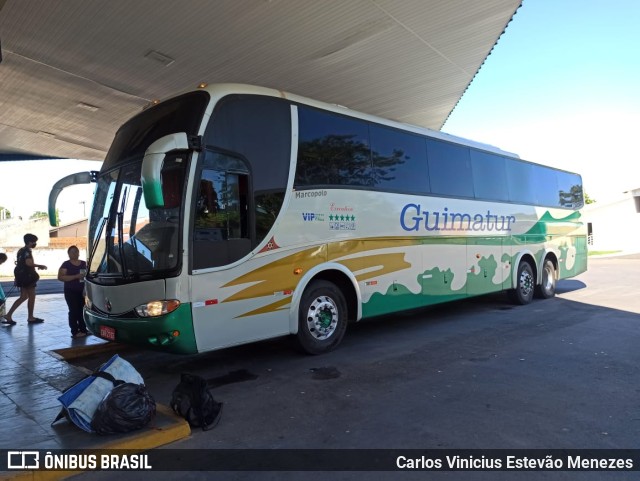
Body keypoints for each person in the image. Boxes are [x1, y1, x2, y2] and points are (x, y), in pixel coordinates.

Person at [2, 233, 47, 325]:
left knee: (23, 296)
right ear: (29, 242)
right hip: (28, 277)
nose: (35, 243)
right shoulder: (27, 251)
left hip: (22, 276)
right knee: (31, 296)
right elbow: (28, 263)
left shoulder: (20, 250)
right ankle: (30, 317)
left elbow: (21, 264)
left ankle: (9, 315)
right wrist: (40, 266)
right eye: (34, 241)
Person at [57, 245, 89, 338]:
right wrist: (75, 276)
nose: (75, 253)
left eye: (76, 251)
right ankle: (75, 331)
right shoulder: (66, 264)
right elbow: (60, 277)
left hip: (82, 292)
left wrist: (85, 290)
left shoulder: (84, 263)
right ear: (68, 254)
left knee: (82, 311)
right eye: (72, 252)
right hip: (70, 291)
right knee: (73, 311)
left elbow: (87, 277)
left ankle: (83, 330)